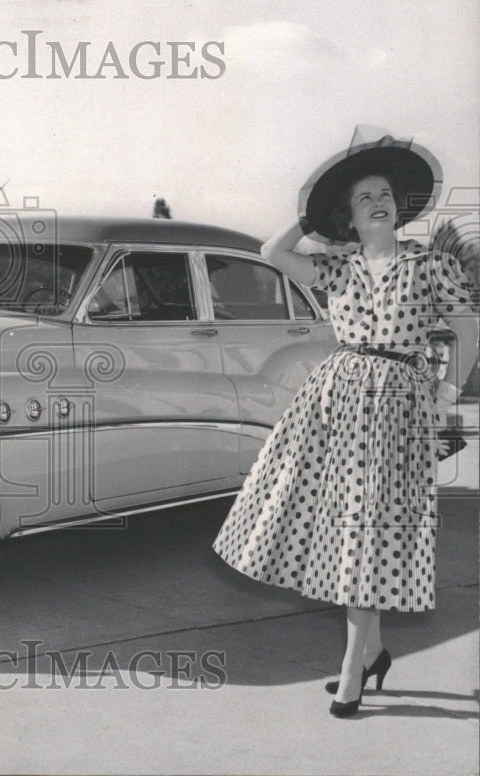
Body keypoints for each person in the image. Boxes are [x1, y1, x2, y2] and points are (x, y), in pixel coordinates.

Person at [212, 130, 478, 718]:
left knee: (369, 531)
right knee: (341, 532)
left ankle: (354, 670)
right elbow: (272, 252)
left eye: (385, 193)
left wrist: (446, 393)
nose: (379, 201)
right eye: (363, 198)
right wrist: (311, 210)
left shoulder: (431, 265)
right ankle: (373, 651)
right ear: (348, 217)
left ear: (399, 206)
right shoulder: (336, 269)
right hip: (336, 403)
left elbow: (468, 333)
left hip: (399, 405)